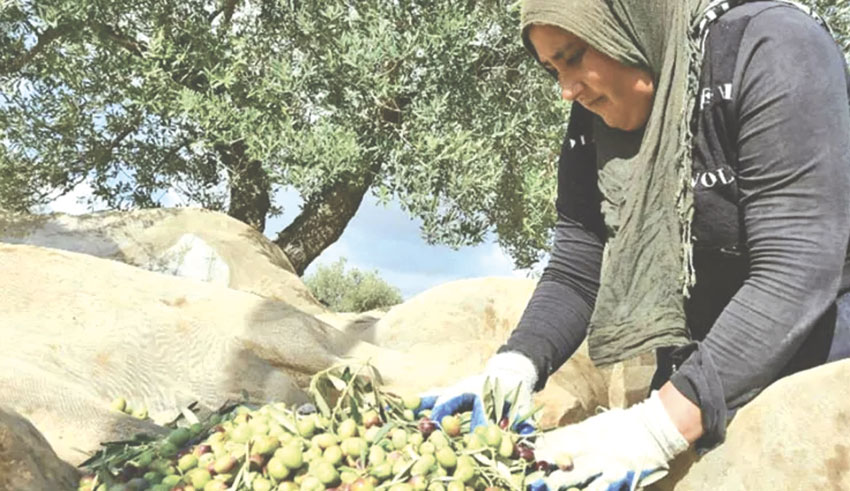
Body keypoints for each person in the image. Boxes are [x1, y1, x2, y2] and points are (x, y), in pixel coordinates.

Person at [425, 0, 850, 489]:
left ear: (628, 22)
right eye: (551, 70)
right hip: (700, 370)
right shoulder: (598, 116)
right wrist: (516, 364)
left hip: (819, 368)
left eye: (574, 56)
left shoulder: (769, 47)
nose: (566, 90)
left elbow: (796, 266)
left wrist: (657, 427)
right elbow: (579, 263)